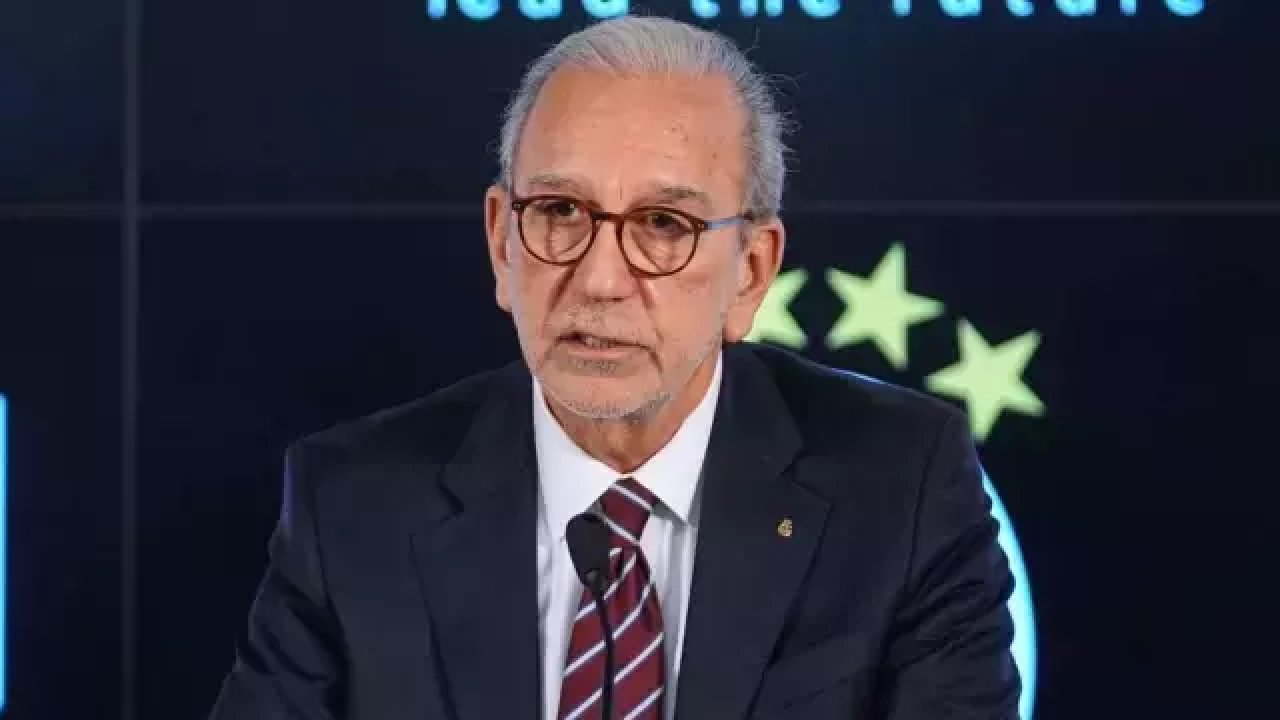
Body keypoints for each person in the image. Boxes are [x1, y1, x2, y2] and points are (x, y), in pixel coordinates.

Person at [208, 15, 1021, 720]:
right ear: (501, 243)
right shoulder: (352, 507)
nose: (599, 280)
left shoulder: (903, 489)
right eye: (559, 211)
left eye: (664, 224)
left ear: (751, 273)